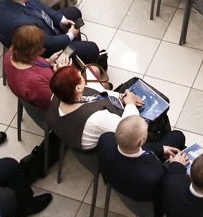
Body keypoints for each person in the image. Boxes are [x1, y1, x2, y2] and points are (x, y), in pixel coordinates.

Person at [48, 65, 186, 153]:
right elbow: (127, 128)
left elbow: (95, 95)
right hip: (120, 131)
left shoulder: (58, 94)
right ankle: (162, 143)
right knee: (161, 114)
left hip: (84, 126)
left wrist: (121, 96)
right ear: (78, 88)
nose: (80, 73)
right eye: (79, 76)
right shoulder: (96, 119)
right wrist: (130, 103)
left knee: (133, 82)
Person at [0, 0, 103, 64]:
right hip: (41, 49)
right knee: (92, 49)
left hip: (42, 26)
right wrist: (70, 35)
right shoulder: (24, 26)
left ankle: (75, 49)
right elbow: (48, 43)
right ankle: (76, 55)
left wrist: (61, 19)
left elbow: (38, 5)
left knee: (74, 12)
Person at [96, 115, 185, 217]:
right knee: (178, 136)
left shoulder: (105, 139)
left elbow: (133, 147)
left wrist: (160, 149)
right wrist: (176, 166)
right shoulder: (154, 174)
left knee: (177, 136)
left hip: (117, 180)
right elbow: (169, 187)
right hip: (153, 208)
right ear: (142, 142)